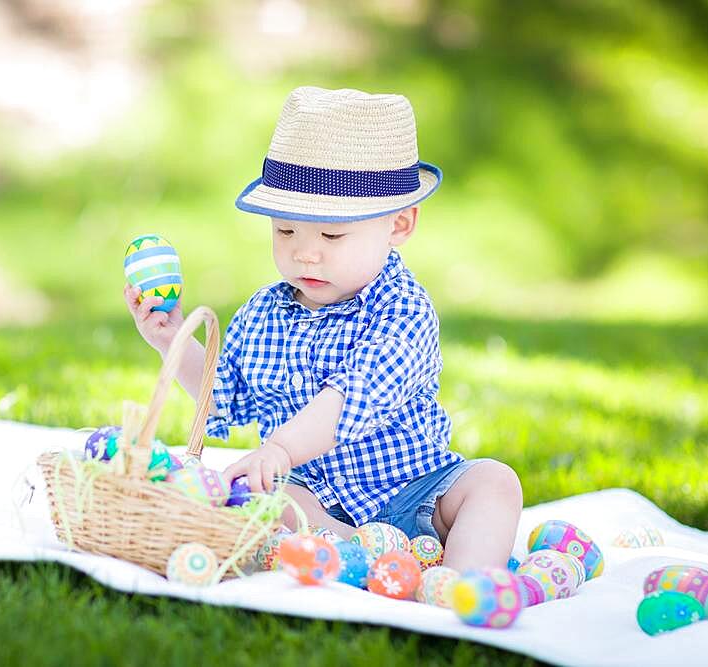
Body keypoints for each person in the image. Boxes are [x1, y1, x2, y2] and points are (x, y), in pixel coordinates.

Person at [124, 86, 521, 571]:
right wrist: (170, 340)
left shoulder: (404, 310)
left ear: (398, 224)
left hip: (418, 490)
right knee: (269, 505)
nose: (304, 252)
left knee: (495, 483)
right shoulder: (265, 312)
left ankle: (462, 582)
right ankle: (371, 560)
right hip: (316, 499)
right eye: (285, 230)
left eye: (332, 234)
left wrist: (280, 448)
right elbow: (223, 395)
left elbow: (354, 396)